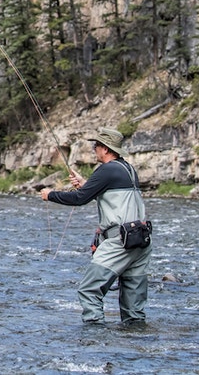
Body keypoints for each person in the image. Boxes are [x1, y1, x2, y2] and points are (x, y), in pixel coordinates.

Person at [41, 127, 151, 325]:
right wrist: (86, 183)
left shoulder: (107, 170)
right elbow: (110, 194)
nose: (94, 149)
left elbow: (79, 199)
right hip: (140, 240)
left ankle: (95, 339)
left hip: (120, 242)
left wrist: (51, 195)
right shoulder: (127, 169)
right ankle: (137, 341)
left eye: (96, 145)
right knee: (133, 307)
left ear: (106, 149)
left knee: (89, 289)